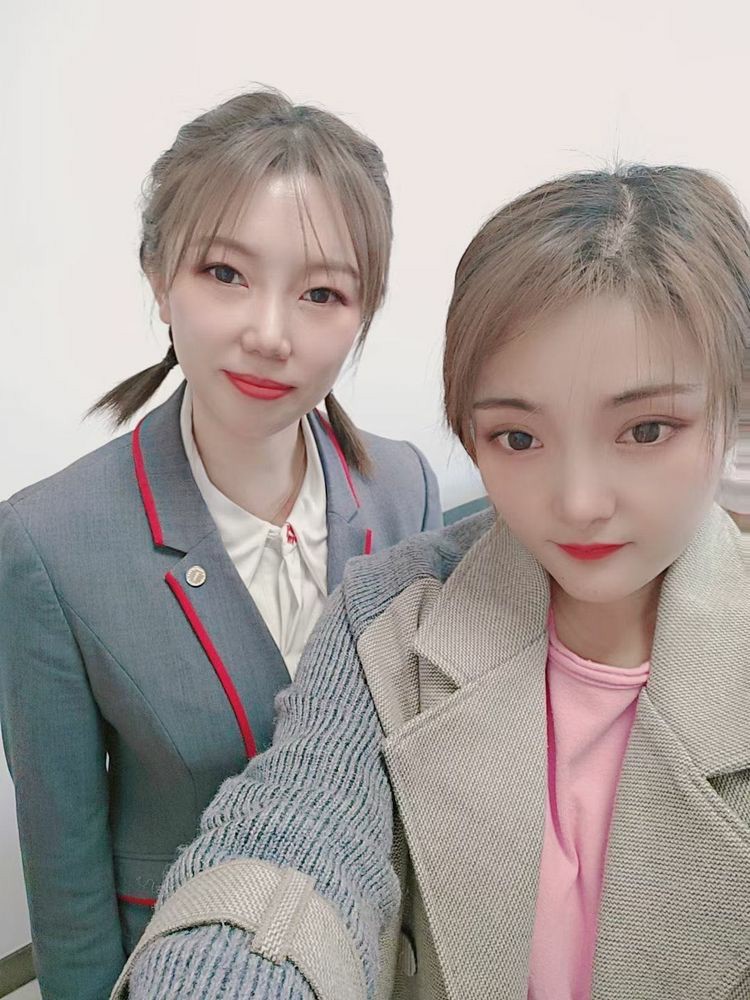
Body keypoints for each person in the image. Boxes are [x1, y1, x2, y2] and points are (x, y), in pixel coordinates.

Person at [115, 164, 750, 1000]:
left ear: (733, 406)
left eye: (646, 429)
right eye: (517, 438)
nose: (578, 502)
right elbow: (297, 829)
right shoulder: (388, 615)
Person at [0, 88, 441, 1000]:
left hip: (372, 955)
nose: (269, 335)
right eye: (225, 273)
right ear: (159, 275)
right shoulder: (48, 540)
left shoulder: (406, 489)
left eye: (321, 293)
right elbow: (64, 864)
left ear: (365, 311)